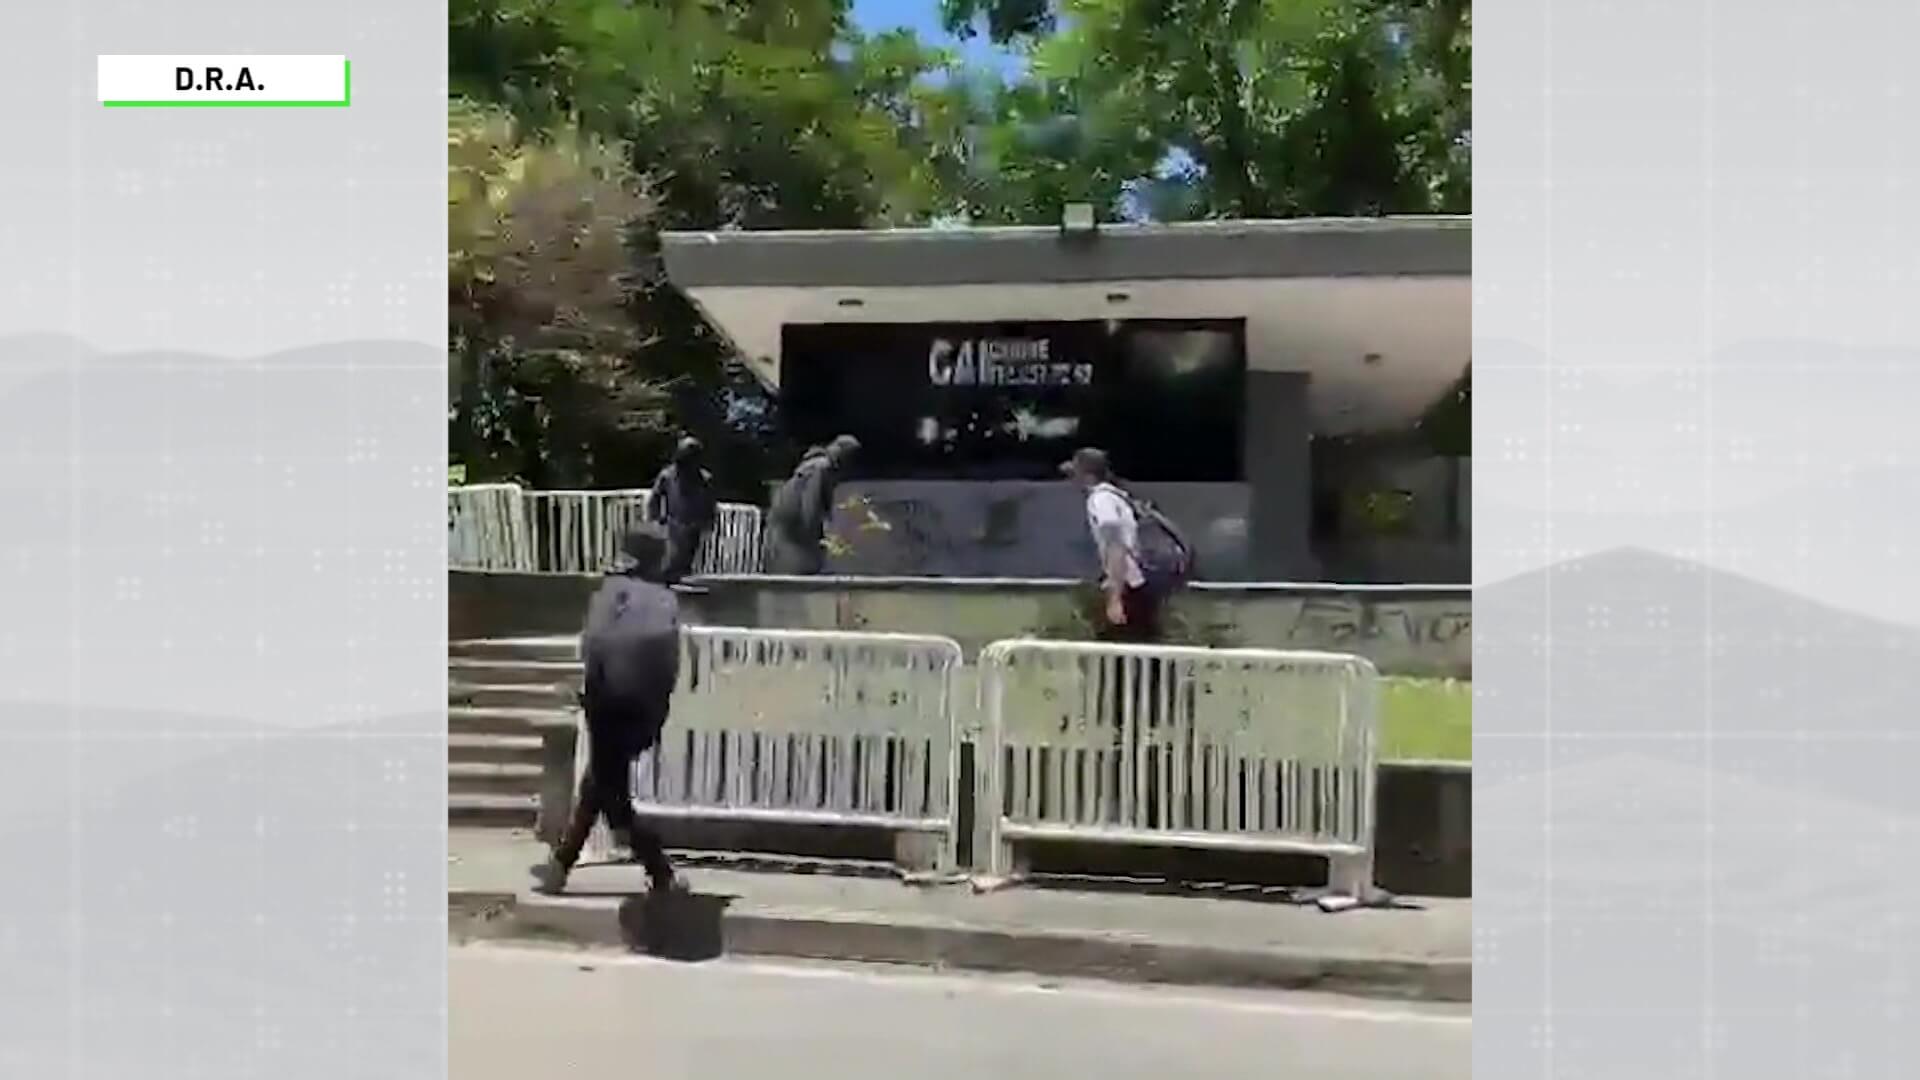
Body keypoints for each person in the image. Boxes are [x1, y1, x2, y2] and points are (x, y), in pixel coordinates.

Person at [535, 523, 681, 894]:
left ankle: (562, 866)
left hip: (603, 702)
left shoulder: (607, 593)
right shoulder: (662, 600)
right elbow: (666, 662)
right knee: (607, 792)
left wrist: (593, 693)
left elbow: (590, 648)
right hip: (634, 705)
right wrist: (657, 710)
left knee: (600, 785)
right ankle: (657, 868)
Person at [1061, 447, 1164, 643]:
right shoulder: (1117, 496)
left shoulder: (1101, 500)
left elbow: (1116, 547)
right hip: (1137, 582)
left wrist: (1115, 598)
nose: (1072, 480)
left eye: (1075, 474)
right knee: (1140, 652)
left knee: (1119, 653)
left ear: (1088, 476)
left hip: (1129, 584)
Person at [766, 434, 859, 575]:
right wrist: (814, 534)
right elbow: (811, 500)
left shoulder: (814, 465)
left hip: (786, 519)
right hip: (793, 519)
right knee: (804, 564)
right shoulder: (821, 467)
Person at [644, 436, 717, 583]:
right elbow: (655, 498)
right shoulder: (668, 475)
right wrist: (656, 519)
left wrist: (709, 522)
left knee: (686, 563)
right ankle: (667, 587)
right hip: (673, 525)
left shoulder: (704, 479)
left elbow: (710, 503)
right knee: (670, 561)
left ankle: (679, 590)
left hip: (693, 527)